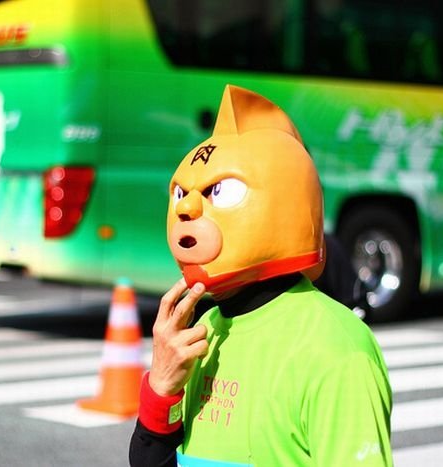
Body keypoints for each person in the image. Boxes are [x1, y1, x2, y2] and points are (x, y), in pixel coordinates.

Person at [129, 85, 392, 466]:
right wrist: (160, 390)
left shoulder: (337, 348)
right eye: (180, 193)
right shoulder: (201, 334)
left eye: (218, 192)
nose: (187, 208)